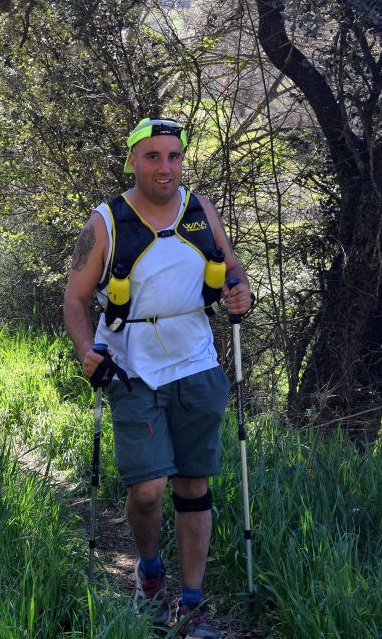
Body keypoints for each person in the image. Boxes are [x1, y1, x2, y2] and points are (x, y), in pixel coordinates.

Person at [64, 117, 251, 638]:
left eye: (173, 156)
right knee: (147, 489)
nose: (164, 167)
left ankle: (192, 604)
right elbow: (76, 299)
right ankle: (149, 573)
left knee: (193, 484)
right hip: (131, 368)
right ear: (133, 161)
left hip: (196, 361)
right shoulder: (106, 222)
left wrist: (241, 291)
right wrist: (86, 349)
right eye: (152, 156)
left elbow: (231, 267)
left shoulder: (199, 209)